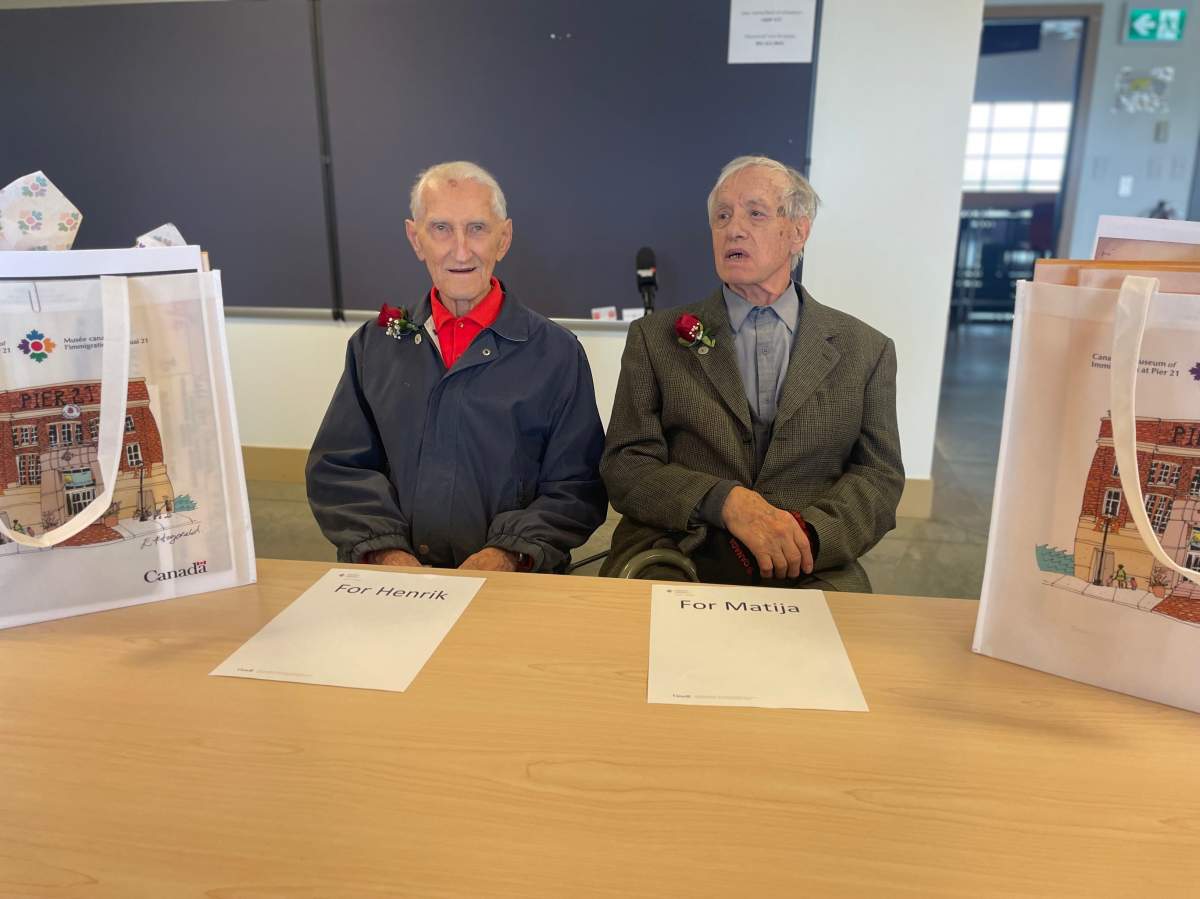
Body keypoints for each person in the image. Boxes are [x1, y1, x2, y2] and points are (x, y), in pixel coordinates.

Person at [600, 155, 903, 591]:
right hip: (678, 547)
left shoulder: (866, 350)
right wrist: (723, 503)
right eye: (722, 216)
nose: (734, 229)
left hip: (808, 560)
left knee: (834, 630)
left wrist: (807, 536)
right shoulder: (655, 338)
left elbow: (879, 477)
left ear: (798, 231)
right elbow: (625, 466)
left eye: (755, 213)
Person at [307, 161, 607, 572]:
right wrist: (385, 550)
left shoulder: (557, 354)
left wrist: (508, 554)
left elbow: (577, 487)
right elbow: (338, 470)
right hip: (393, 581)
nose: (461, 251)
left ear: (504, 239)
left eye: (477, 228)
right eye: (441, 228)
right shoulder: (372, 347)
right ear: (416, 239)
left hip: (514, 581)